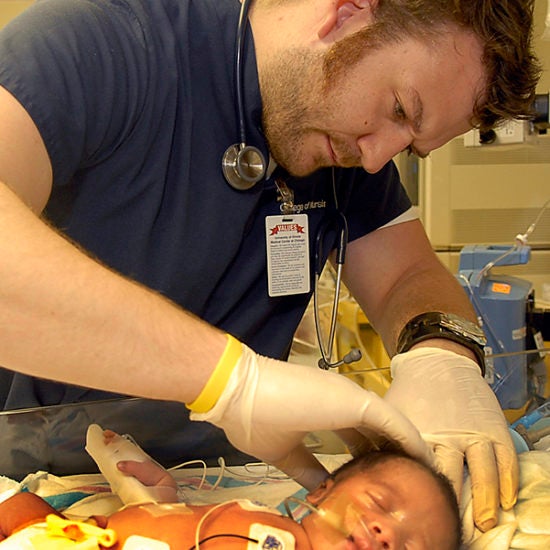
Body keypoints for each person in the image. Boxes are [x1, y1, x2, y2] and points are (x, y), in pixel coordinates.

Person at [0, 0, 540, 534]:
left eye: (409, 147)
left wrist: (442, 356)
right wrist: (232, 383)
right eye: (400, 109)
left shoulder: (347, 143)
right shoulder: (94, 47)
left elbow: (407, 276)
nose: (378, 160)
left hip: (212, 487)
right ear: (347, 13)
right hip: (24, 479)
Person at [0, 435, 463, 549]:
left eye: (409, 547)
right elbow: (195, 529)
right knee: (19, 505)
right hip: (76, 536)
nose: (386, 533)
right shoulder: (270, 524)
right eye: (380, 504)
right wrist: (159, 501)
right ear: (320, 492)